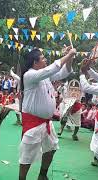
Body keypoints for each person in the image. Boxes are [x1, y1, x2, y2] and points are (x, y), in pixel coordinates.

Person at [19, 47, 76, 180]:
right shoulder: (30, 75)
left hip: (46, 122)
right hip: (33, 123)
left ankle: (42, 175)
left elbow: (64, 72)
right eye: (43, 57)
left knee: (51, 148)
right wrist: (68, 55)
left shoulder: (44, 75)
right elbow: (52, 68)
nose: (45, 59)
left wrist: (70, 57)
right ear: (35, 62)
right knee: (27, 156)